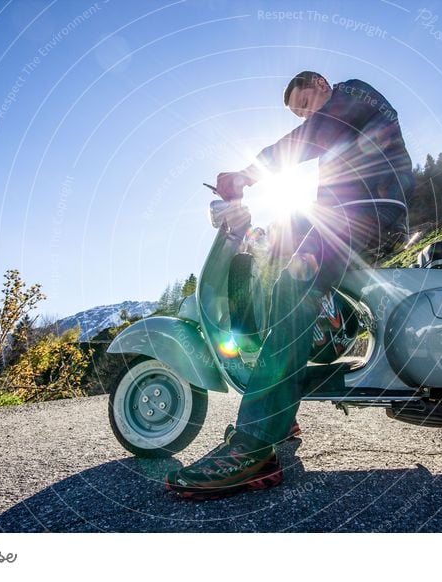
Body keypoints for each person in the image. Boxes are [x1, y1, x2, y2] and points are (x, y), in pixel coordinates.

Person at [165, 71, 414, 499]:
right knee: (280, 262)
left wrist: (248, 173)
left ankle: (256, 445)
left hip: (373, 211)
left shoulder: (354, 94)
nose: (304, 113)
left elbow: (312, 135)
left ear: (319, 83)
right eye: (298, 111)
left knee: (291, 287)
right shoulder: (340, 130)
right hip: (347, 213)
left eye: (303, 103)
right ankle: (283, 401)